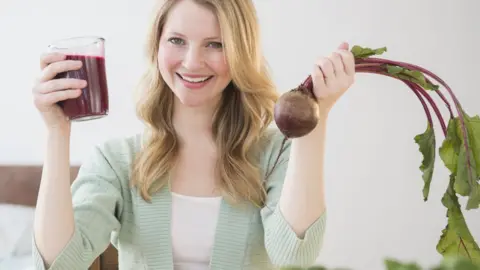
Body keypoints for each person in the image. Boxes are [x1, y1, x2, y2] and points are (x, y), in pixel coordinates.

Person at [31, 0, 355, 269]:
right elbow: (60, 264)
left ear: (241, 53)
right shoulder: (116, 161)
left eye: (215, 44)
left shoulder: (275, 152)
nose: (192, 62)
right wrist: (57, 132)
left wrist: (316, 116)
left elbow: (295, 255)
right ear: (156, 46)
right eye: (177, 41)